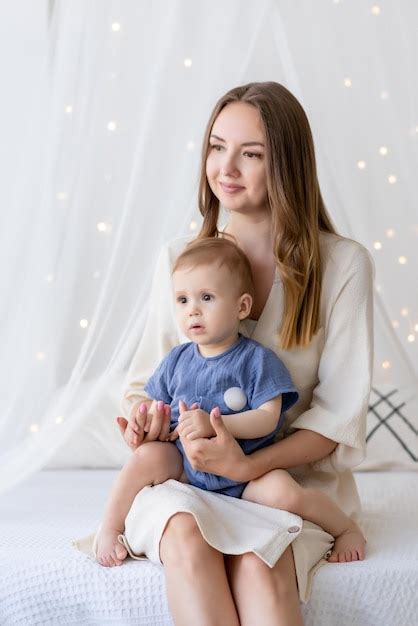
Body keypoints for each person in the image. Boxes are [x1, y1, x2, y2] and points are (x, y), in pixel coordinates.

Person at [117, 82, 374, 626]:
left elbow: (336, 416)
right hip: (190, 479)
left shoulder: (343, 266)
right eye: (216, 147)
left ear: (286, 165)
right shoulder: (179, 260)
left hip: (284, 487)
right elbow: (148, 385)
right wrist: (147, 422)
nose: (225, 167)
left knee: (261, 561)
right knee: (186, 535)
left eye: (250, 154)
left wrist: (250, 463)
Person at [96, 238, 365, 572]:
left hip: (248, 469)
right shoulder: (177, 360)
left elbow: (268, 418)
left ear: (241, 307)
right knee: (145, 458)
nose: (192, 309)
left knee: (287, 495)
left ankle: (346, 529)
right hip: (188, 467)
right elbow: (155, 403)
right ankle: (110, 527)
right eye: (182, 300)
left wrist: (217, 425)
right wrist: (147, 419)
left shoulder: (256, 360)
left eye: (206, 298)